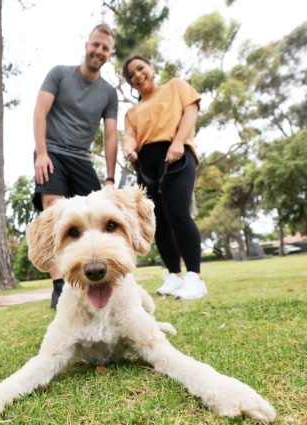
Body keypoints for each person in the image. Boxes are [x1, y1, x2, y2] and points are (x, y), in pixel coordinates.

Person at [32, 23, 118, 309]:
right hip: (53, 151)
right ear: (87, 44)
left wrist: (109, 178)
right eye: (96, 44)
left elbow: (110, 135)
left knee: (95, 215)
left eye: (105, 48)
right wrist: (42, 154)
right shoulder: (59, 74)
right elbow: (40, 111)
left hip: (82, 158)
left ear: (110, 53)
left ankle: (101, 277)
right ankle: (59, 285)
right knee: (54, 210)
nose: (99, 51)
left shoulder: (108, 93)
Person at [121, 54, 207, 300]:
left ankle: (194, 277)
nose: (137, 75)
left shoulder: (176, 86)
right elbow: (130, 135)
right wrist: (128, 147)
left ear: (151, 67)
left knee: (178, 213)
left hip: (176, 156)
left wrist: (178, 142)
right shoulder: (132, 111)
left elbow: (190, 112)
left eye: (140, 68)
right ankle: (173, 275)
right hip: (146, 166)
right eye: (131, 76)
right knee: (157, 222)